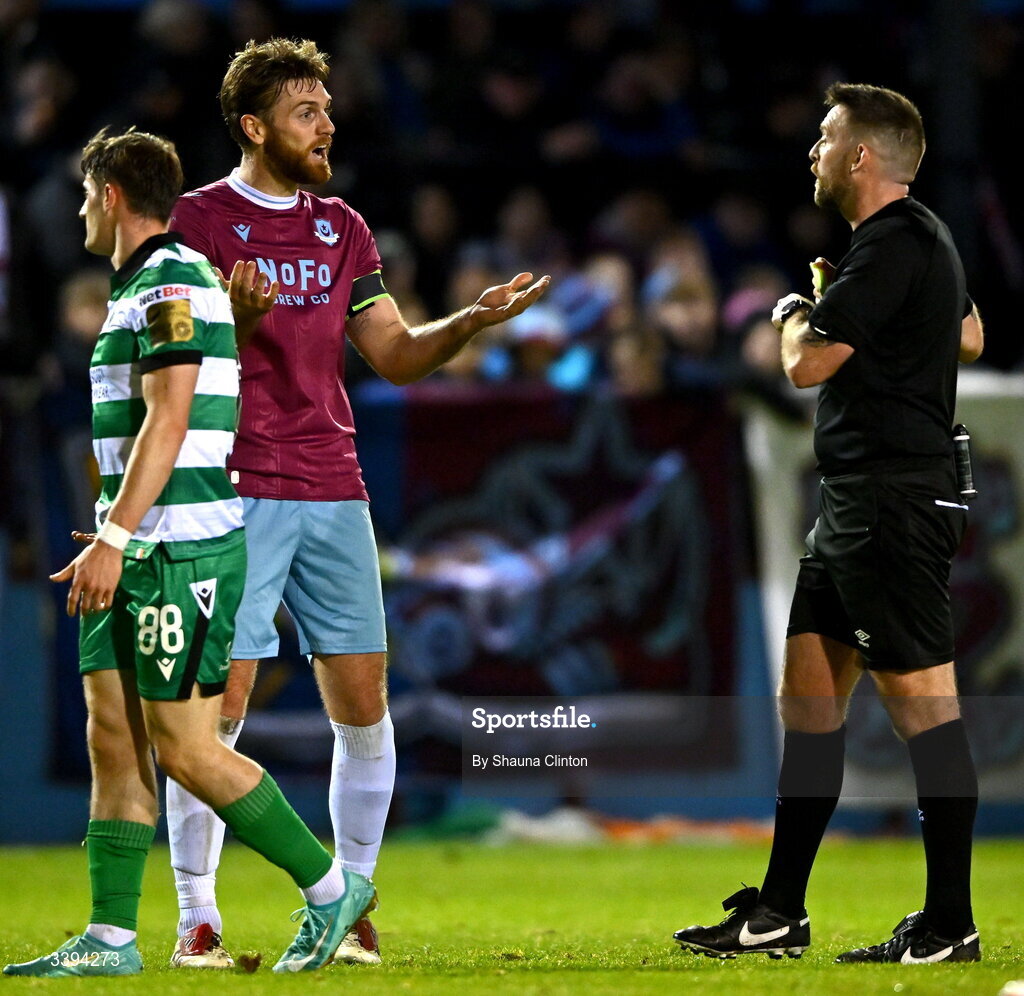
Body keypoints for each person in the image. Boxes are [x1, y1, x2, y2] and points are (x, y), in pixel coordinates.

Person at [164, 38, 550, 968]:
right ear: (255, 126)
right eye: (306, 111)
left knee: (363, 703)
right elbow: (170, 361)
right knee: (217, 713)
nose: (327, 124)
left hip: (335, 484)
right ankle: (197, 918)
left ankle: (353, 908)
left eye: (328, 110)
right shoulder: (197, 220)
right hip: (233, 486)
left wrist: (467, 322)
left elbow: (395, 354)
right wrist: (237, 321)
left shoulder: (344, 228)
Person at [3, 128, 378, 978]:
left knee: (187, 748)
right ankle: (110, 937)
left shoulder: (171, 281)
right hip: (135, 544)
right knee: (115, 739)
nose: (78, 212)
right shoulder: (143, 284)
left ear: (110, 195)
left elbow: (170, 418)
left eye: (84, 196)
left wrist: (116, 533)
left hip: (178, 551)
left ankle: (332, 891)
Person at [673, 83, 985, 965]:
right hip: (855, 503)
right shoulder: (923, 241)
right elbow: (970, 337)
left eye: (824, 136)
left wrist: (790, 316)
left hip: (892, 498)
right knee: (808, 700)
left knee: (926, 709)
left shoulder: (891, 241)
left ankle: (951, 923)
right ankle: (779, 911)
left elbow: (808, 365)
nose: (812, 150)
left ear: (860, 157)